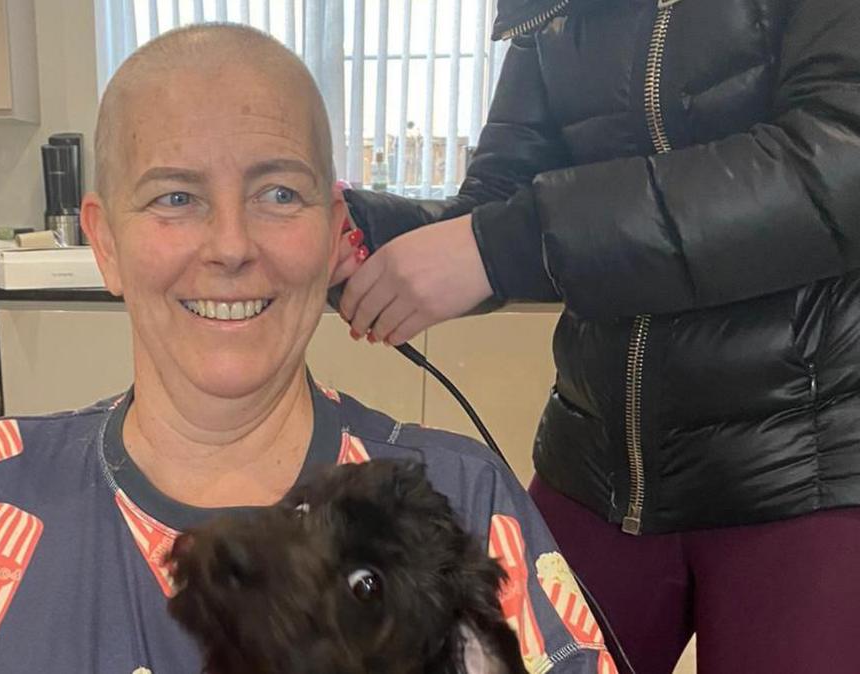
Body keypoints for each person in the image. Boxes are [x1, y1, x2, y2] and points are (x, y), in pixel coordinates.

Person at [0, 24, 614, 674]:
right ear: (106, 243)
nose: (230, 244)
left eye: (278, 193)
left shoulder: (465, 501)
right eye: (176, 196)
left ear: (335, 233)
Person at [335, 0, 860, 671]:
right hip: (596, 469)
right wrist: (356, 234)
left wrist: (506, 242)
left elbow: (833, 164)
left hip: (806, 470)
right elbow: (500, 208)